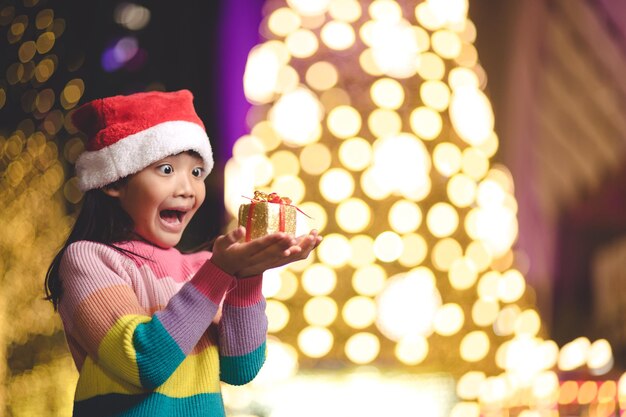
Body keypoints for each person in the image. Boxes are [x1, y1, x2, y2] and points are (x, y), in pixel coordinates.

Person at [44, 89, 321, 417]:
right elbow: (142, 363)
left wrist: (247, 276)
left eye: (196, 172)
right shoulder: (89, 259)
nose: (187, 188)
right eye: (166, 170)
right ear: (113, 180)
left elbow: (240, 369)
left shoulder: (200, 268)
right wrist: (219, 273)